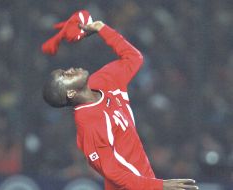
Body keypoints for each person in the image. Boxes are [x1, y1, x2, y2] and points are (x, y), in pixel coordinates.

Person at [42, 20, 199, 190]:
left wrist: (102, 29)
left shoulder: (101, 82)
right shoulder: (88, 124)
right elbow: (113, 173)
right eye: (66, 75)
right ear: (71, 93)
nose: (71, 69)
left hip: (145, 183)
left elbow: (133, 58)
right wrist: (159, 186)